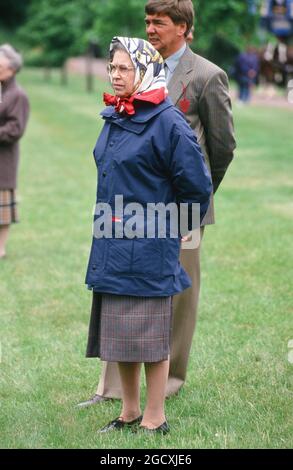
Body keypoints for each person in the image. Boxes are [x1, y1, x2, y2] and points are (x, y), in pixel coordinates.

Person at [78, 0, 236, 408]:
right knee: (123, 290)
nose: (150, 29)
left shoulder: (206, 75)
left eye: (159, 22)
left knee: (175, 297)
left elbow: (221, 148)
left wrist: (194, 205)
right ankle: (112, 389)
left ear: (183, 27)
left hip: (181, 210)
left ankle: (168, 384)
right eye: (147, 21)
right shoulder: (133, 62)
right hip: (128, 210)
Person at [0, 44, 29, 259]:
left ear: (10, 65)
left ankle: (0, 249)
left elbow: (15, 129)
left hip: (4, 159)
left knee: (2, 209)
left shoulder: (17, 94)